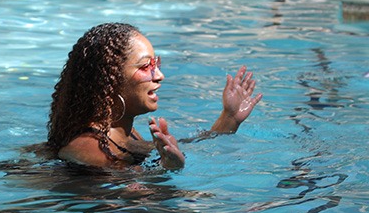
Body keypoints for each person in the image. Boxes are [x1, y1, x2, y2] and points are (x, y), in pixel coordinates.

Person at [46, 22, 262, 170]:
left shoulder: (126, 135)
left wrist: (229, 118)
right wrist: (168, 172)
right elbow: (121, 207)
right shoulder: (90, 149)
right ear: (111, 81)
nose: (159, 75)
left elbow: (174, 151)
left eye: (156, 64)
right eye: (145, 66)